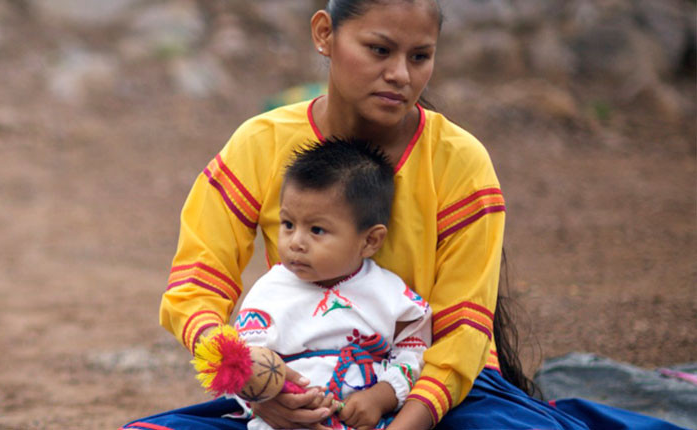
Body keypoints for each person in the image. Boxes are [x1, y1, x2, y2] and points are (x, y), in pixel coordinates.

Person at [127, 1, 684, 429]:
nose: (401, 74)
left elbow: (464, 325)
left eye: (419, 57)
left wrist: (407, 418)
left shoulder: (460, 161)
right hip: (303, 386)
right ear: (325, 34)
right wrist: (260, 389)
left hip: (440, 391)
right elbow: (196, 286)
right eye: (379, 50)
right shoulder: (260, 143)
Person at [227, 138, 430, 430]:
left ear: (370, 240)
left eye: (317, 230)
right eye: (288, 224)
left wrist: (381, 397)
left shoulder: (389, 293)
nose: (296, 242)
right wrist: (278, 399)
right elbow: (246, 365)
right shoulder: (268, 294)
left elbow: (415, 351)